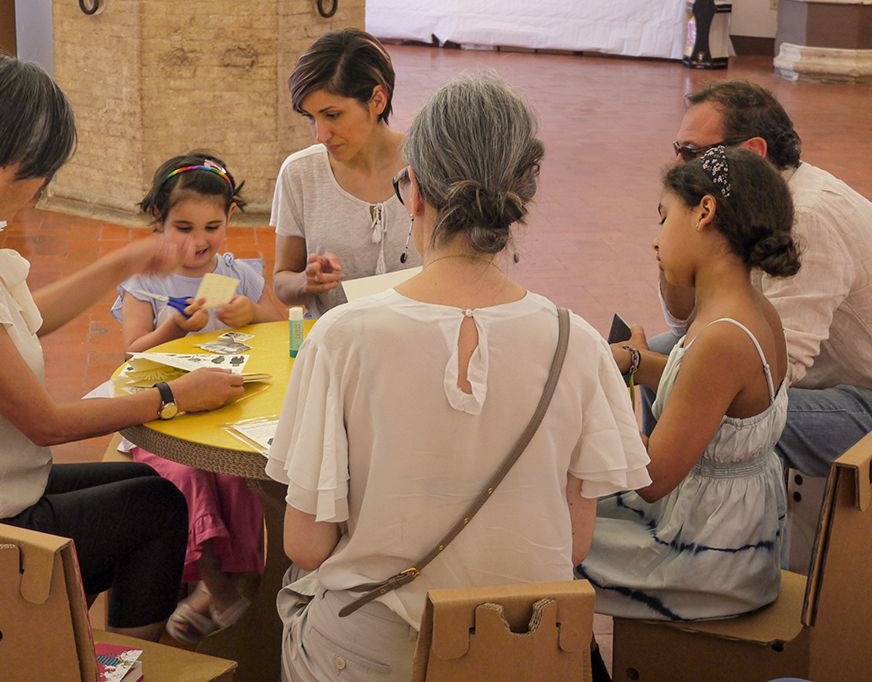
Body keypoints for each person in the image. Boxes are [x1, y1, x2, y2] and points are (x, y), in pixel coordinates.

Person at [265, 75, 650, 681]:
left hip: (374, 654)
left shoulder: (343, 336)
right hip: (521, 653)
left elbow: (306, 546)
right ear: (522, 197)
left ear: (414, 191)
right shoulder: (577, 342)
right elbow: (573, 548)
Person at [0, 54, 244, 642]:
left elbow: (20, 320)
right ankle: (114, 661)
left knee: (153, 490)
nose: (43, 190)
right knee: (159, 514)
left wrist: (127, 260)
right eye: (43, 175)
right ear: (5, 168)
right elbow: (44, 423)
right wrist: (174, 395)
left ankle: (77, 641)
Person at [578, 146, 800, 621]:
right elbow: (706, 395)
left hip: (708, 557)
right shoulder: (755, 310)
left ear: (704, 211)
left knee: (543, 532)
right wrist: (637, 360)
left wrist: (579, 413)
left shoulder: (722, 338)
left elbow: (653, 477)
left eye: (663, 218)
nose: (656, 240)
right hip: (734, 535)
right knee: (566, 505)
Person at [650, 80, 872, 477]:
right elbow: (687, 325)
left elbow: (775, 373)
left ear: (751, 151)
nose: (681, 166)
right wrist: (674, 242)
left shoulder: (807, 216)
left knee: (713, 416)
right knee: (664, 353)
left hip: (861, 402)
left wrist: (641, 364)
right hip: (808, 377)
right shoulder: (742, 202)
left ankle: (694, 516)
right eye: (677, 150)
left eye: (692, 153)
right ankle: (665, 505)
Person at [111, 151, 283, 643]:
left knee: (236, 471)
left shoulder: (238, 274)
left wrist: (252, 314)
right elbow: (130, 356)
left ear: (230, 218)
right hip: (160, 418)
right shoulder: (146, 281)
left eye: (212, 227)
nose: (199, 241)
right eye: (183, 227)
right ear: (157, 221)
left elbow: (278, 329)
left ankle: (243, 582)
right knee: (187, 473)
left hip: (221, 411)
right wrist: (170, 328)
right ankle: (212, 581)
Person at [270, 28, 421, 318]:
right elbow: (282, 280)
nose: (320, 134)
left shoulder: (432, 167)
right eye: (310, 118)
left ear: (378, 100)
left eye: (332, 115)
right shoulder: (300, 174)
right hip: (333, 351)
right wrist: (306, 280)